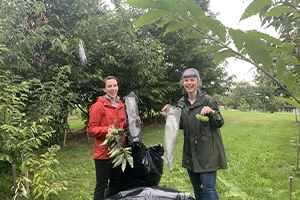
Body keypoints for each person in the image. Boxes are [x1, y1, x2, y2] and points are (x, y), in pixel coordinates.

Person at [162, 68, 227, 200]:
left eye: (192, 80)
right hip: (190, 152)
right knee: (197, 188)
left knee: (208, 189)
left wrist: (212, 112)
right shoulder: (181, 103)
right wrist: (169, 115)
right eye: (186, 80)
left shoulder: (208, 100)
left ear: (198, 82)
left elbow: (219, 122)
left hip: (207, 151)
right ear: (183, 83)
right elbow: (180, 126)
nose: (189, 83)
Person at [88, 76, 127, 200]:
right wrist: (106, 130)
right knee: (102, 185)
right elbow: (91, 129)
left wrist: (134, 122)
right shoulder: (98, 106)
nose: (113, 88)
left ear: (118, 87)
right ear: (104, 89)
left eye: (115, 85)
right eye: (109, 86)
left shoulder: (120, 105)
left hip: (119, 152)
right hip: (103, 154)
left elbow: (123, 126)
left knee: (115, 183)